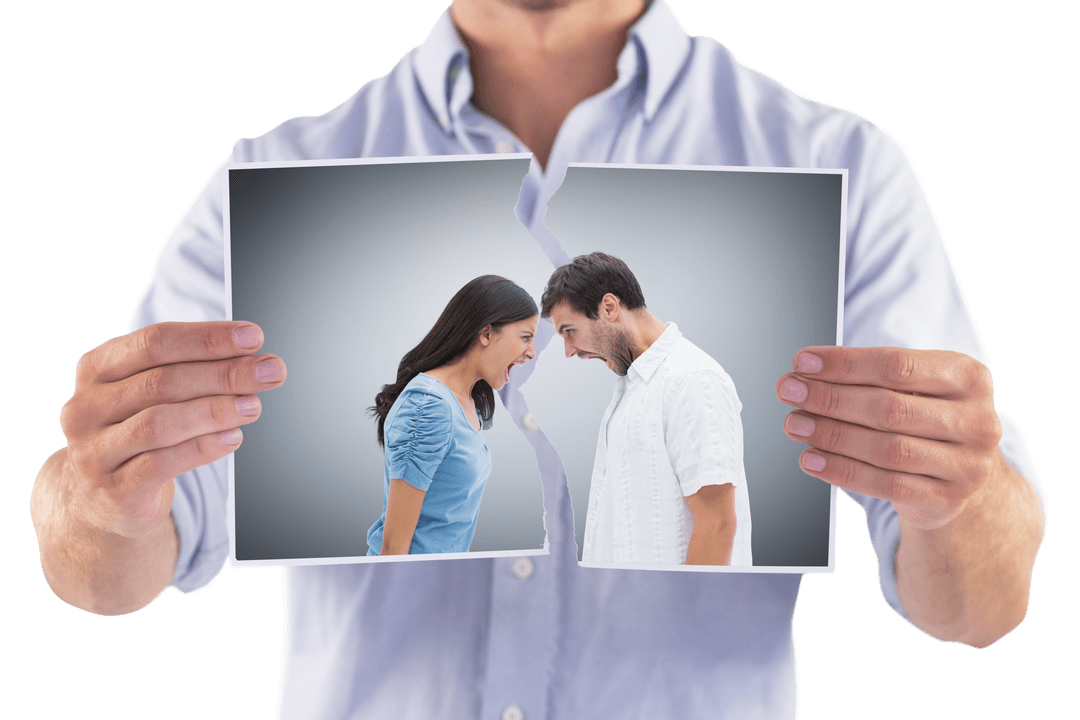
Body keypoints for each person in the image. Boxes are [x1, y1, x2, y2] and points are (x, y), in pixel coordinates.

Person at [29, 0, 1048, 716]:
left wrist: (957, 496)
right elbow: (119, 568)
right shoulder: (272, 184)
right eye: (532, 342)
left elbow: (977, 607)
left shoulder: (846, 172)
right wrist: (95, 498)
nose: (545, 362)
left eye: (552, 339)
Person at [541, 252, 752, 566]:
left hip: (675, 614)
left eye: (569, 331)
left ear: (609, 308)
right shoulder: (634, 389)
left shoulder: (693, 381)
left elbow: (717, 524)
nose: (569, 351)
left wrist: (684, 616)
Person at [366, 275, 538, 556]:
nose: (531, 352)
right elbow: (393, 546)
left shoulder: (467, 403)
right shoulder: (429, 405)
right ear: (486, 334)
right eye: (525, 337)